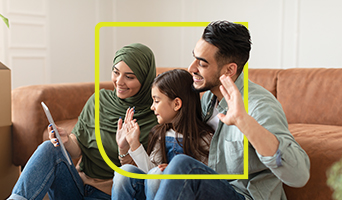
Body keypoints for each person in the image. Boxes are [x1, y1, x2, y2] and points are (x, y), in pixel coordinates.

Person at [153, 21, 311, 200]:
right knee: (136, 178)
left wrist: (244, 122)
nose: (191, 68)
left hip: (243, 196)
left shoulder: (260, 106)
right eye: (194, 58)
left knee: (183, 166)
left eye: (202, 64)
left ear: (229, 70)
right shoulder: (208, 99)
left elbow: (300, 176)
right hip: (212, 189)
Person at [8, 43, 158, 200]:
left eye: (129, 77)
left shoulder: (155, 115)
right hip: (77, 186)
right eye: (116, 72)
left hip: (110, 194)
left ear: (145, 79)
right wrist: (66, 141)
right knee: (49, 147)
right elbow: (78, 148)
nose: (119, 81)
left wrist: (126, 147)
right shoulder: (99, 100)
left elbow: (145, 175)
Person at [112, 69, 214, 200]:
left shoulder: (204, 138)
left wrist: (175, 173)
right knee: (125, 172)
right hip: (153, 192)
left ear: (176, 104)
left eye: (156, 101)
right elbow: (150, 173)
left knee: (158, 176)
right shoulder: (160, 133)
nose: (152, 107)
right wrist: (134, 143)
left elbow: (204, 182)